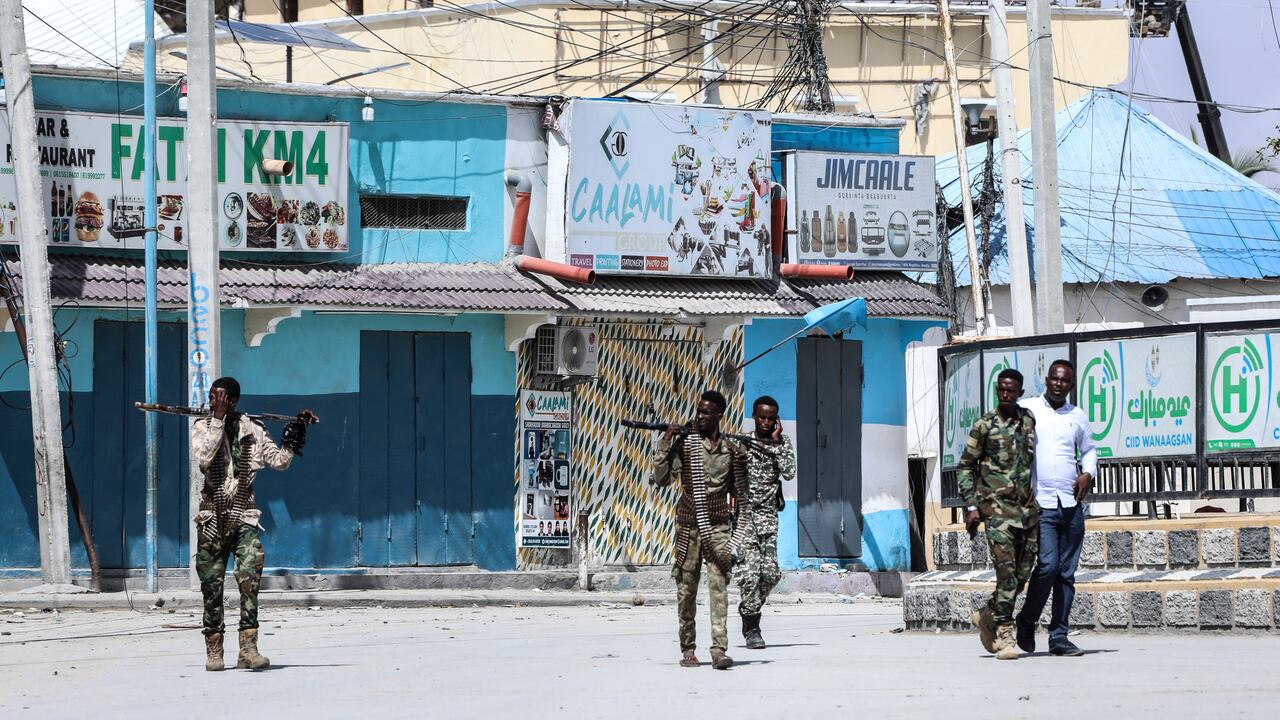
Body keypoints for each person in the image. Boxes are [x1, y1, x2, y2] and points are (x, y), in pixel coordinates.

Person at [191, 377, 313, 672]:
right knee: (211, 585)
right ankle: (214, 650)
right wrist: (217, 420)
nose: (213, 402)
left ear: (232, 400)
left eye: (219, 398)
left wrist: (295, 435)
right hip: (212, 517)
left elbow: (279, 462)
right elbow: (205, 458)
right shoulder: (201, 427)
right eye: (210, 397)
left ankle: (248, 648)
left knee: (250, 579)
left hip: (244, 515)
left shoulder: (254, 429)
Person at [652, 389, 749, 670]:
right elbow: (661, 479)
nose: (700, 416)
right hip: (688, 527)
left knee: (719, 587)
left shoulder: (731, 451)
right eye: (699, 411)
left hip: (718, 525)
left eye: (707, 412)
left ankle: (719, 649)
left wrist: (744, 468)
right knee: (686, 589)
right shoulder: (685, 444)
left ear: (720, 415)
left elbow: (739, 491)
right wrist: (666, 442)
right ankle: (688, 648)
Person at [1015, 359, 1098, 657]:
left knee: (1066, 573)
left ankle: (1059, 637)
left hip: (1071, 505)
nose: (1058, 384)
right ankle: (1027, 619)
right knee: (1048, 566)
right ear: (1046, 380)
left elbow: (1089, 450)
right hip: (1042, 503)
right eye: (1054, 379)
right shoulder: (1028, 409)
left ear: (1071, 385)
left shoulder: (1078, 416)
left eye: (1064, 381)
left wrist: (1087, 473)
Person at [957, 368, 1038, 660]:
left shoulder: (1029, 420)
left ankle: (988, 612)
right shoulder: (984, 425)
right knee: (1006, 572)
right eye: (1001, 390)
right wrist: (971, 506)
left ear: (1019, 392)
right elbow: (966, 466)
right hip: (997, 512)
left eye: (1011, 390)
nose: (1005, 395)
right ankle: (1005, 635)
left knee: (1021, 575)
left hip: (1027, 512)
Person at [734, 395, 796, 650]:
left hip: (768, 516)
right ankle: (752, 628)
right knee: (749, 575)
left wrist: (776, 442)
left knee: (770, 574)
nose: (766, 422)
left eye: (771, 418)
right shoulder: (743, 443)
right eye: (762, 417)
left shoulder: (782, 442)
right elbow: (731, 474)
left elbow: (789, 472)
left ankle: (748, 608)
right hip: (745, 517)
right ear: (754, 416)